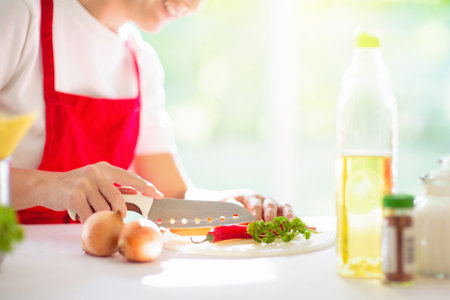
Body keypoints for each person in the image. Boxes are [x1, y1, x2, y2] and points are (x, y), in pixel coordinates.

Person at [0, 0, 295, 224]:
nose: (194, 6)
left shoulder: (141, 62)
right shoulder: (19, 16)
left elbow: (171, 196)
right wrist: (47, 186)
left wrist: (231, 202)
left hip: (91, 275)